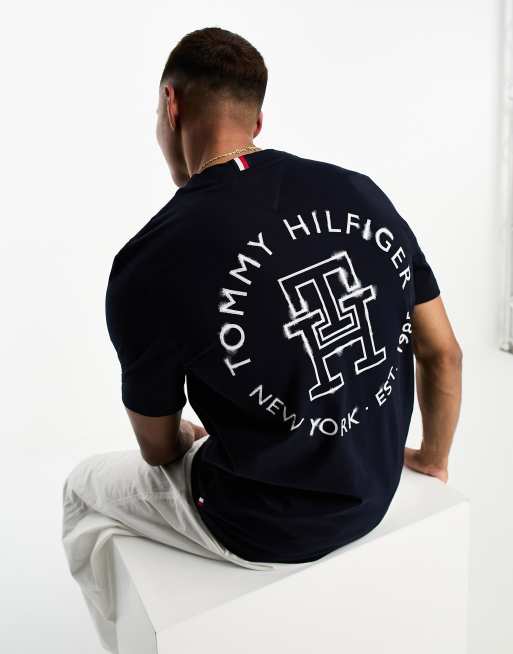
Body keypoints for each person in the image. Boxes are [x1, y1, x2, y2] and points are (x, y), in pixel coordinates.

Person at [62, 26, 463, 653]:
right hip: (377, 490)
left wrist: (186, 437)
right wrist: (432, 459)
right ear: (257, 119)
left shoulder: (152, 259)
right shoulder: (360, 191)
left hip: (257, 528)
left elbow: (157, 449)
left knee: (81, 489)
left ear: (171, 103)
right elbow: (442, 353)